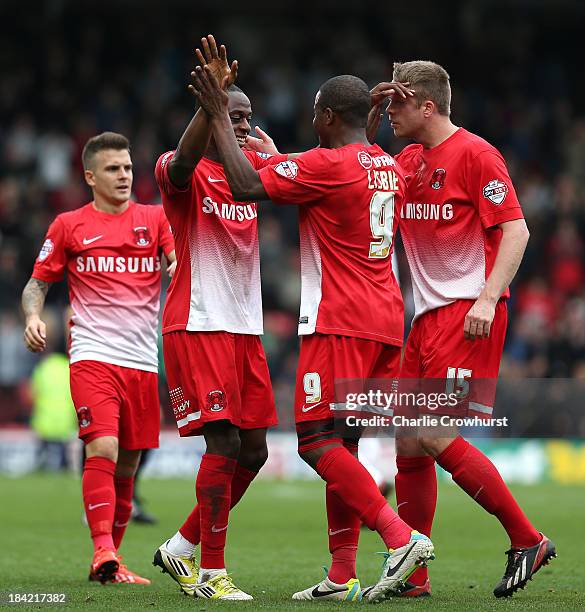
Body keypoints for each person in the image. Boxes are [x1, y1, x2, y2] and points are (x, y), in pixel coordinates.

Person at [190, 63, 435, 603]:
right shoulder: (384, 163)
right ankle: (342, 574)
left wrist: (216, 114)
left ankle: (398, 539)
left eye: (315, 115)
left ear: (325, 116)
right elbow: (349, 162)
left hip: (339, 321)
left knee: (316, 441)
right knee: (343, 443)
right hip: (387, 322)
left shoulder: (324, 164)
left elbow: (247, 183)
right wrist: (289, 153)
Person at [368, 61, 556, 598]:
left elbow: (516, 231)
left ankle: (528, 539)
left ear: (428, 106)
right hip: (425, 319)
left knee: (431, 433)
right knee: (408, 444)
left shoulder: (476, 155)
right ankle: (415, 574)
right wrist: (369, 127)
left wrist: (488, 298)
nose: (392, 111)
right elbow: (361, 178)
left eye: (399, 103)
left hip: (466, 313)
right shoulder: (406, 159)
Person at [151, 36, 286, 601]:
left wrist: (273, 153)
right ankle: (211, 573)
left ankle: (179, 547)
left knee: (254, 451)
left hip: (243, 328)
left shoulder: (249, 172)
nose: (244, 126)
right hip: (198, 320)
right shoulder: (177, 172)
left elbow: (290, 183)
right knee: (223, 444)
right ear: (209, 118)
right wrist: (212, 106)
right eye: (234, 117)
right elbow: (184, 160)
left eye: (249, 118)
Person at [22, 131, 176, 585]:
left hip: (144, 363)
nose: (124, 175)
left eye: (128, 167)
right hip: (92, 357)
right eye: (113, 169)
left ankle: (111, 564)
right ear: (90, 176)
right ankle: (102, 549)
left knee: (128, 466)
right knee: (103, 447)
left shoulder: (155, 218)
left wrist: (174, 263)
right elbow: (37, 283)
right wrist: (33, 315)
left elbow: (175, 256)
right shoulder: (68, 225)